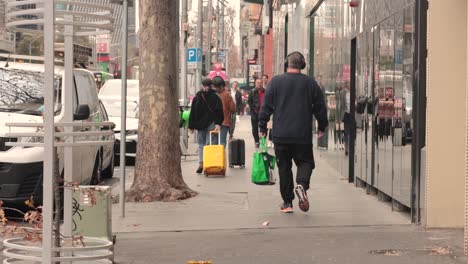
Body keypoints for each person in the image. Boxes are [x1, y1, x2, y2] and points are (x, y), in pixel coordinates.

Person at [258, 52, 328, 213]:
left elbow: (265, 107)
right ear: (302, 65)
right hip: (301, 134)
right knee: (306, 162)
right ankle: (301, 185)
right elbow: (320, 108)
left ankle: (287, 203)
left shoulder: (275, 82)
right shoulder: (310, 83)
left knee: (284, 167)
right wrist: (322, 126)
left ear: (286, 64)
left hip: (280, 134)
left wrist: (262, 127)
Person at [188, 78, 224, 174]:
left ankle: (201, 163)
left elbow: (193, 112)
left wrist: (191, 126)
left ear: (202, 85)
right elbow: (219, 111)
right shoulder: (216, 97)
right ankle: (209, 163)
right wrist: (218, 123)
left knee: (201, 145)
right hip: (211, 123)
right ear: (211, 86)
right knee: (210, 144)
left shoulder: (197, 97)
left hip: (200, 124)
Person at [212, 76, 236, 147]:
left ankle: (216, 157)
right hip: (224, 122)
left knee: (214, 142)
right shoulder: (227, 95)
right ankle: (221, 157)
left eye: (216, 87)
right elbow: (233, 109)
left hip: (214, 122)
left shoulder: (213, 94)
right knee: (222, 141)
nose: (215, 89)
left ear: (221, 86)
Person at [248, 78, 265, 148]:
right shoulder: (252, 92)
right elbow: (249, 101)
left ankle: (263, 141)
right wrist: (253, 109)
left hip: (264, 112)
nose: (259, 84)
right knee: (255, 128)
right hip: (255, 112)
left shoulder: (265, 91)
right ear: (255, 83)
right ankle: (257, 141)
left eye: (260, 83)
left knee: (263, 127)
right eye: (257, 83)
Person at [262, 74, 274, 148]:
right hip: (263, 108)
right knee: (264, 125)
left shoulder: (270, 87)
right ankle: (263, 141)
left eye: (265, 78)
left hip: (269, 108)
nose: (264, 80)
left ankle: (270, 140)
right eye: (263, 78)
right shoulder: (260, 87)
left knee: (271, 126)